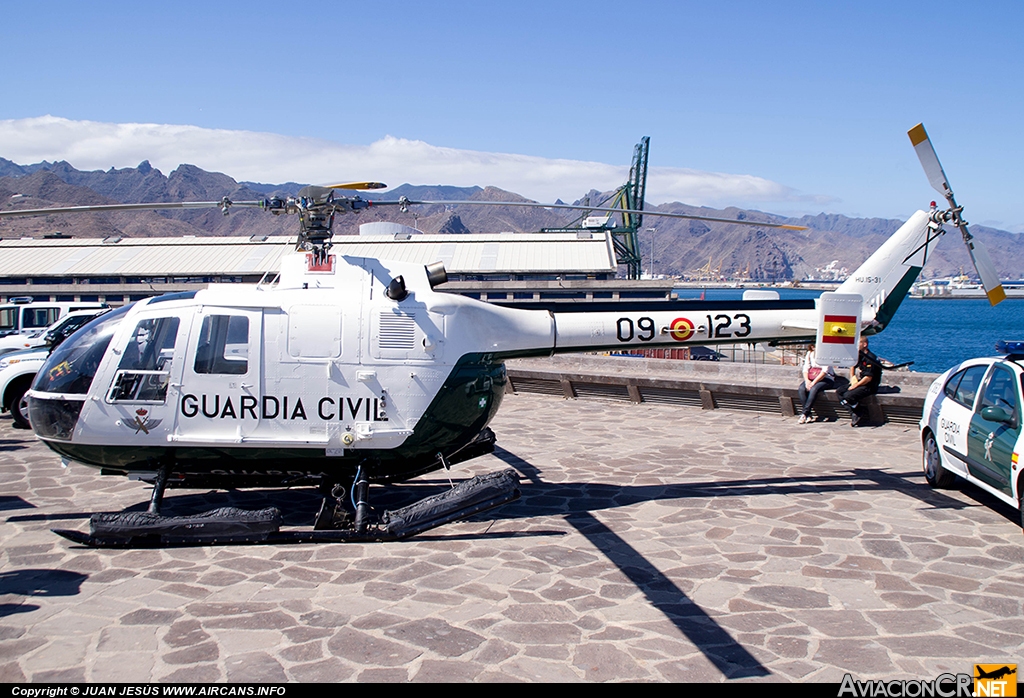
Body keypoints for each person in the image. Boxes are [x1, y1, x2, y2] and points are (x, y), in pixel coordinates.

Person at [836, 336, 883, 427]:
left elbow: (868, 378)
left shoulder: (870, 358)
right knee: (839, 391)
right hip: (861, 382)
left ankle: (858, 411)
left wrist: (856, 385)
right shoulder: (860, 355)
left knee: (848, 395)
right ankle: (855, 412)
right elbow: (852, 365)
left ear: (864, 344)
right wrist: (852, 378)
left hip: (869, 385)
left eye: (858, 344)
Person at [797, 343, 835, 423]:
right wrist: (807, 381)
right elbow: (806, 368)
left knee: (814, 389)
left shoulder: (826, 355)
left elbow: (824, 371)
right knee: (801, 388)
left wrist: (813, 383)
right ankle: (808, 414)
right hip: (812, 377)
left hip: (826, 378)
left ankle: (804, 413)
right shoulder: (809, 354)